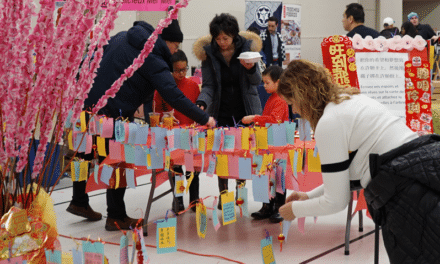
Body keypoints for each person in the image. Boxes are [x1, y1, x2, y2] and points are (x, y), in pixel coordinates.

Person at [277, 59, 440, 263]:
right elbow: (349, 175)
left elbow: (336, 201)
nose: (295, 111)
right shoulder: (351, 100)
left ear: (303, 95)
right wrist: (308, 196)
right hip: (425, 165)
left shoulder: (329, 122)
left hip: (405, 191)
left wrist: (295, 211)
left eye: (292, 103)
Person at [67, 20, 215, 231]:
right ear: (167, 41)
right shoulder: (152, 56)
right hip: (113, 112)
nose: (175, 51)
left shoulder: (122, 36)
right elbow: (172, 94)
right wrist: (203, 118)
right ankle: (116, 216)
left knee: (85, 154)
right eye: (175, 46)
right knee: (117, 159)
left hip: (88, 103)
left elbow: (90, 59)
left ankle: (78, 199)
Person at [193, 13, 262, 208]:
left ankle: (240, 194)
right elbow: (208, 86)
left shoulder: (247, 49)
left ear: (234, 35)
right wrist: (202, 103)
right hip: (221, 109)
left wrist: (250, 69)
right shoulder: (209, 54)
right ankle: (224, 196)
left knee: (242, 153)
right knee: (221, 154)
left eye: (225, 38)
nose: (221, 42)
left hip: (245, 108)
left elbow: (257, 81)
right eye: (218, 38)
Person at [153, 49, 200, 213]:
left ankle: (194, 200)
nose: (181, 73)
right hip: (173, 136)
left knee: (192, 169)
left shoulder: (193, 86)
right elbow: (156, 112)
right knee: (177, 169)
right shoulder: (163, 88)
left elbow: (197, 109)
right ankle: (178, 200)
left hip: (191, 135)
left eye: (184, 69)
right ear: (169, 69)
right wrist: (164, 119)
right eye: (177, 70)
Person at [242, 65, 289, 223]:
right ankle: (267, 206)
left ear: (278, 82)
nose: (264, 85)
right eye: (264, 82)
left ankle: (279, 208)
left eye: (267, 82)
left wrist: (255, 118)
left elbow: (274, 120)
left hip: (279, 143)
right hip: (269, 143)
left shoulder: (280, 99)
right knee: (266, 174)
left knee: (278, 176)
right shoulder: (272, 97)